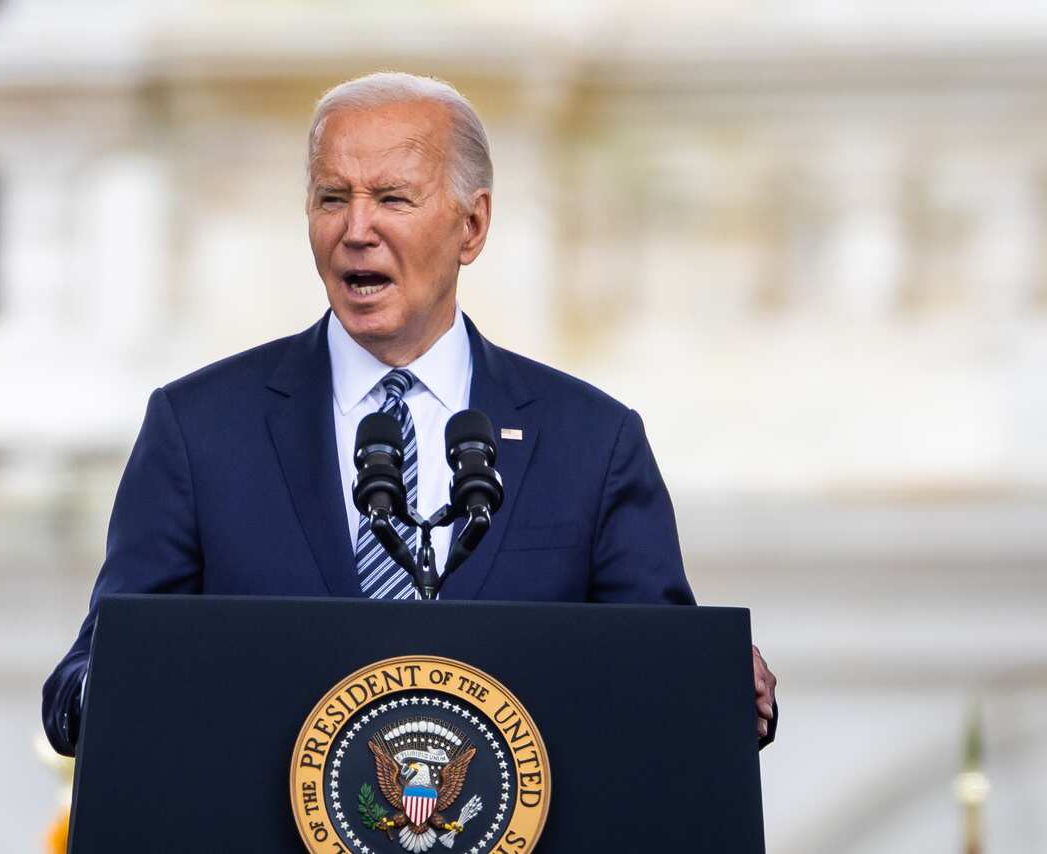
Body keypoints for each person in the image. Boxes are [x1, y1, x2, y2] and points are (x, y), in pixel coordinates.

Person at [43, 72, 777, 757]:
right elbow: (88, 679)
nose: (356, 229)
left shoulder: (590, 442)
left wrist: (718, 688)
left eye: (393, 199)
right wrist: (112, 691)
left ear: (472, 226)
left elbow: (662, 678)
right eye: (332, 198)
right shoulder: (200, 430)